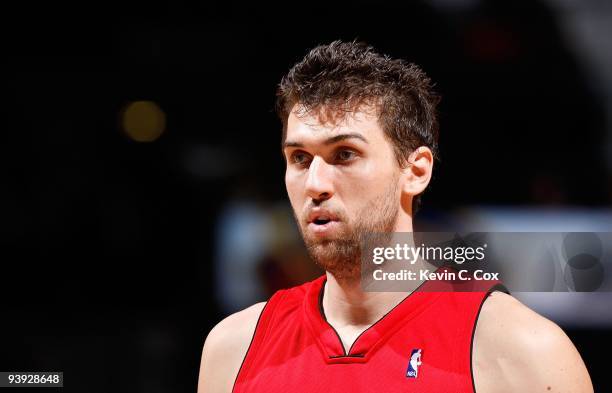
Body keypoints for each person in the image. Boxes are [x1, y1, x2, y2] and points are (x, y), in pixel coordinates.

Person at [197, 41, 593, 393]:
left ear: (416, 171)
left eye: (344, 155)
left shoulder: (522, 351)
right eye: (299, 158)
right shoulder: (233, 348)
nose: (315, 183)